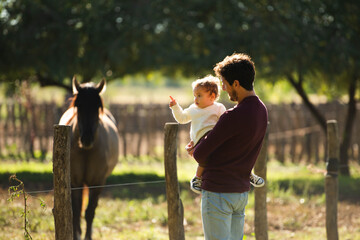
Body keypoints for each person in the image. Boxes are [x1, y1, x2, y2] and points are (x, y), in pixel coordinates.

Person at [190, 53, 268, 240]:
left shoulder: (232, 116)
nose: (223, 88)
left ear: (236, 83)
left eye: (224, 83)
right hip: (240, 193)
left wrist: (196, 147)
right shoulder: (261, 111)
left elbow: (200, 155)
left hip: (218, 193)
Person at [169, 74, 265, 195]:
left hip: (215, 139)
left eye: (199, 96)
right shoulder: (193, 109)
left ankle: (248, 173)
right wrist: (175, 107)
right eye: (195, 96)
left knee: (234, 154)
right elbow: (182, 118)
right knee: (204, 160)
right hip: (200, 140)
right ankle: (197, 178)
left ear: (212, 96)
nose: (195, 99)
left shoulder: (219, 108)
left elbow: (225, 125)